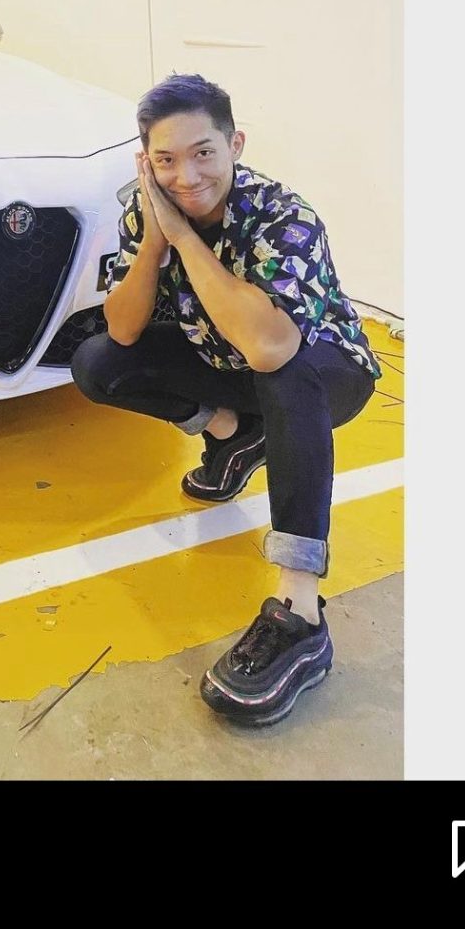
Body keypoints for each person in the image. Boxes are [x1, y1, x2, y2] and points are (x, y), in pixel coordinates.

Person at [72, 74, 379, 725]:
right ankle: (232, 433)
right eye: (165, 160)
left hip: (323, 373)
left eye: (203, 153)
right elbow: (123, 330)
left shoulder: (282, 216)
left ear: (234, 144)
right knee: (98, 362)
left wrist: (186, 240)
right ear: (145, 163)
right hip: (226, 364)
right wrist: (156, 240)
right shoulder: (146, 214)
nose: (186, 176)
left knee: (284, 371)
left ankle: (299, 614)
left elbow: (269, 346)